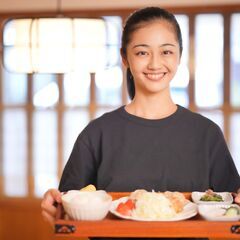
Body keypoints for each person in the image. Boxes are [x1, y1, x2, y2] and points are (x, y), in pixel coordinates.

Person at [41, 6, 240, 240]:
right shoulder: (97, 133)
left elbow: (231, 205)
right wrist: (53, 206)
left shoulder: (206, 134)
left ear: (179, 56)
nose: (155, 64)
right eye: (142, 53)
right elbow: (67, 208)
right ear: (125, 57)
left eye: (166, 52)